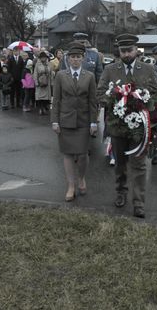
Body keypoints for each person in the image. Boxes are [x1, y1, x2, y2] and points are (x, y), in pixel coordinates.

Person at [97, 34, 157, 218]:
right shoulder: (110, 69)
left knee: (139, 165)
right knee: (120, 164)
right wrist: (115, 100)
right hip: (117, 126)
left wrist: (145, 103)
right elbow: (100, 93)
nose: (126, 54)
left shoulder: (147, 69)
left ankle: (139, 203)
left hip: (139, 128)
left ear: (136, 50)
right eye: (122, 51)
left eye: (129, 50)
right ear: (118, 51)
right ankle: (121, 191)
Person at [51, 42, 97, 202]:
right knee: (68, 154)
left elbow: (92, 101)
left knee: (83, 154)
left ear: (83, 58)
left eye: (78, 57)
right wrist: (55, 121)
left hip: (84, 121)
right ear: (68, 59)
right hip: (66, 121)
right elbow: (56, 100)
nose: (75, 60)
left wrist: (93, 122)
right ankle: (71, 186)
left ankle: (81, 178)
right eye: (72, 57)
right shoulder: (60, 76)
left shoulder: (89, 76)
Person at [33, 51, 52, 115]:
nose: (43, 58)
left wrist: (52, 81)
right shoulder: (37, 64)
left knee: (46, 97)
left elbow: (51, 73)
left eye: (44, 57)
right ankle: (40, 108)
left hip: (47, 82)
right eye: (42, 57)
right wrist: (36, 82)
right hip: (40, 82)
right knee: (40, 97)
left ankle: (44, 108)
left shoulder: (49, 64)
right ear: (40, 58)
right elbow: (35, 74)